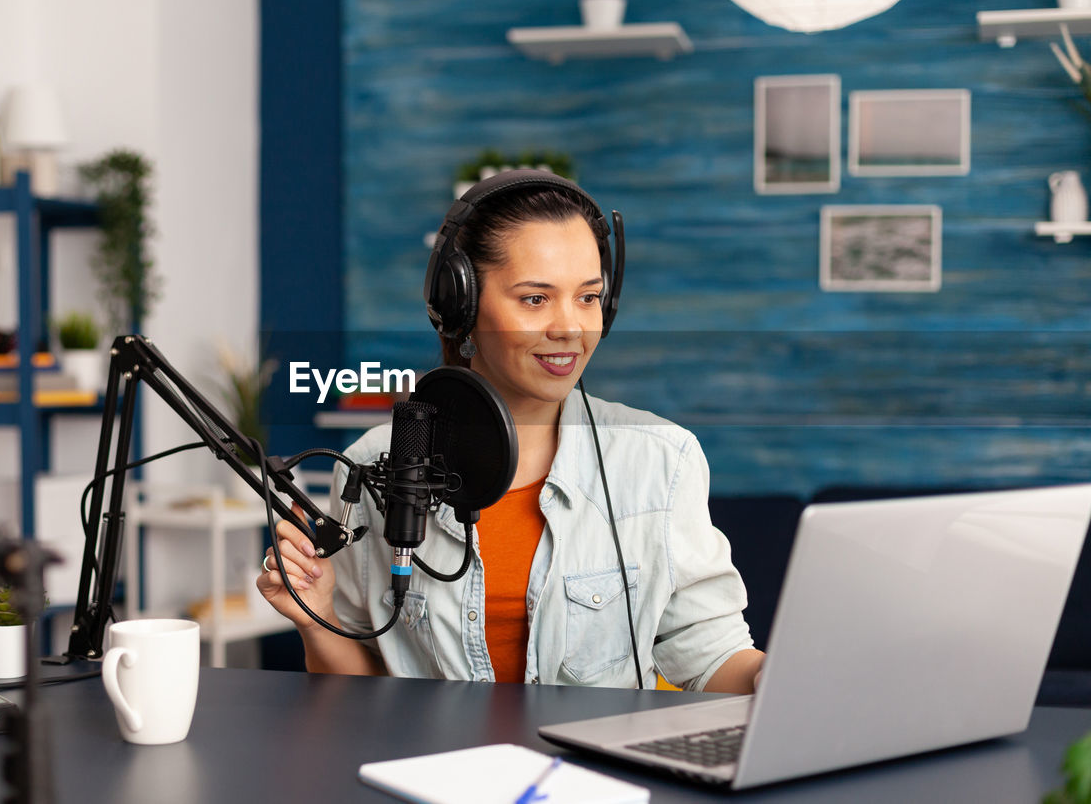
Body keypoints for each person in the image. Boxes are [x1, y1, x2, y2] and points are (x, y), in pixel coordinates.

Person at [256, 171, 765, 692]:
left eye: (588, 297)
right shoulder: (380, 462)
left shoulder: (661, 459)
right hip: (433, 768)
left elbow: (712, 658)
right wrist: (314, 620)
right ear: (464, 305)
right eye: (535, 299)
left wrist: (778, 674)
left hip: (592, 771)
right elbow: (359, 691)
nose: (570, 327)